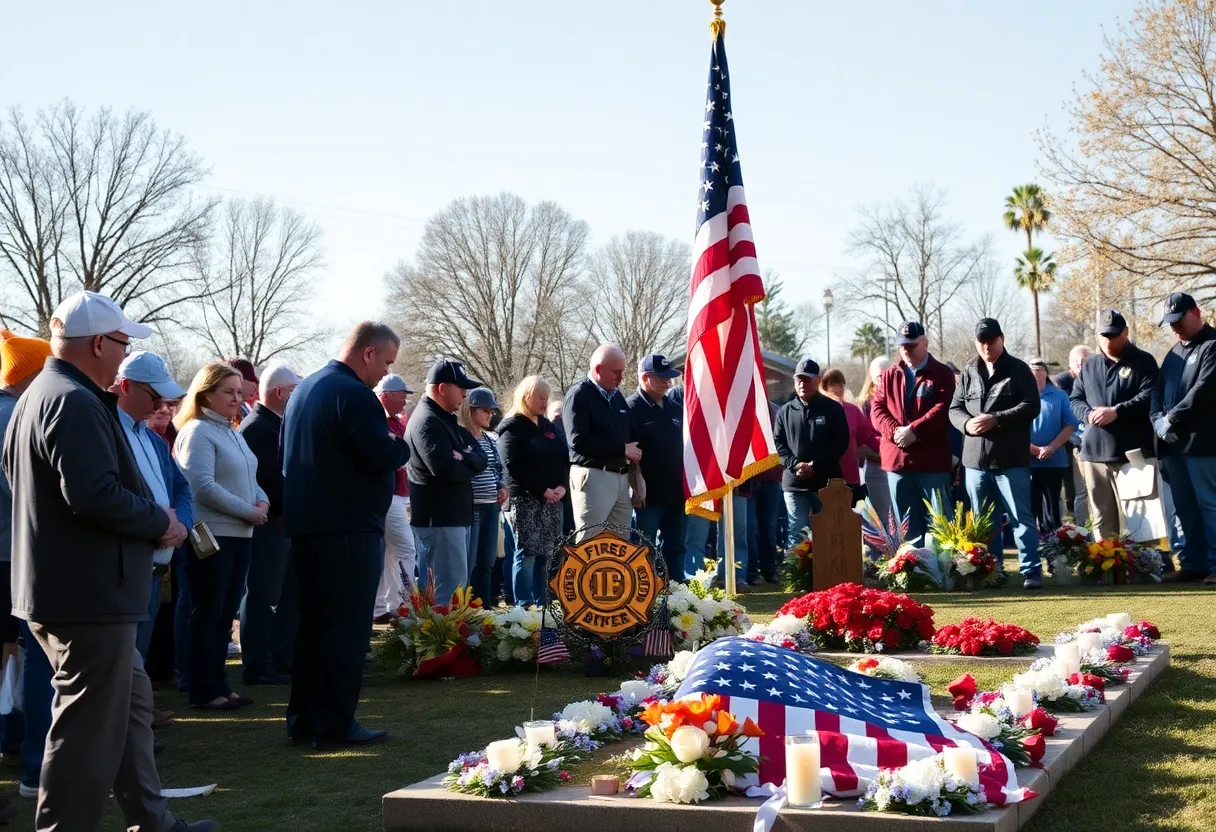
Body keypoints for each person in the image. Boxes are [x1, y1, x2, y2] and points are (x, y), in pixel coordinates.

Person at [2, 291, 213, 831]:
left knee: (128, 707)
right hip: (88, 595)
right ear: (98, 343)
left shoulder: (37, 396)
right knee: (86, 732)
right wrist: (159, 521)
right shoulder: (72, 400)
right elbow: (93, 494)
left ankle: (153, 820)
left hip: (66, 589)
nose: (124, 355)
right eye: (121, 343)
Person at [282, 321, 410, 748]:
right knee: (347, 628)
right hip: (349, 527)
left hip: (307, 525)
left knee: (313, 626)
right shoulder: (355, 394)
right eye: (386, 362)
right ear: (368, 353)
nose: (384, 373)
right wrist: (401, 446)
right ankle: (335, 722)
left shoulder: (303, 390)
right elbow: (380, 452)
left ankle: (303, 720)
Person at [174, 362, 268, 711]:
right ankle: (203, 688)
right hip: (212, 536)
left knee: (224, 613)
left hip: (239, 533)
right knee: (208, 613)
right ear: (206, 394)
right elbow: (202, 487)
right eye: (228, 391)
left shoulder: (231, 431)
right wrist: (249, 510)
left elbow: (250, 476)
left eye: (239, 392)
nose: (236, 398)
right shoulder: (197, 431)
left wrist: (262, 500)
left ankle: (220, 684)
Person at [949, 318, 1042, 588]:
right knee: (983, 522)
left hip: (1010, 459)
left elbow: (1031, 406)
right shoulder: (968, 372)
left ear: (1002, 339)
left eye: (991, 340)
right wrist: (966, 424)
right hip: (975, 462)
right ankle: (991, 570)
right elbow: (954, 409)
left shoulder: (1019, 369)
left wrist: (996, 418)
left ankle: (1030, 572)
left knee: (1020, 518)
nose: (986, 346)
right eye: (981, 341)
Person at [0, 330, 52, 804]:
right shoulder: (14, 415)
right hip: (14, 557)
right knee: (31, 657)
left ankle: (15, 743)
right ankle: (35, 761)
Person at [114, 353, 191, 668]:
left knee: (138, 657)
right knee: (120, 661)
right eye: (154, 394)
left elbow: (182, 488)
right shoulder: (108, 434)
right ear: (127, 386)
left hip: (154, 570)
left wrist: (182, 526)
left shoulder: (153, 440)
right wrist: (160, 524)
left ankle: (137, 713)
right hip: (123, 569)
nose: (162, 404)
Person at [238, 362, 302, 684]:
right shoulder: (257, 427)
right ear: (279, 392)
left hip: (283, 523)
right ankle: (257, 663)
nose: (298, 397)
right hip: (268, 523)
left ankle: (281, 655)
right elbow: (269, 481)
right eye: (294, 391)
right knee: (263, 595)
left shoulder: (276, 424)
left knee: (285, 593)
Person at [1070, 311, 1158, 541]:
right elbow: (1075, 398)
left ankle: (1143, 565)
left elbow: (1150, 396)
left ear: (1125, 332)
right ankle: (1106, 568)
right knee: (1101, 516)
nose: (1109, 341)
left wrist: (1117, 412)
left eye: (1114, 335)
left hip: (1131, 453)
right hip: (1094, 453)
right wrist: (1088, 415)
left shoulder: (1143, 361)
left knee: (1138, 515)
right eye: (1104, 336)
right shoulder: (1089, 365)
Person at [406, 359, 486, 604]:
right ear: (441, 388)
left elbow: (481, 457)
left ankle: (450, 642)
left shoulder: (444, 420)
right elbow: (446, 470)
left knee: (455, 595)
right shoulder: (428, 422)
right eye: (460, 387)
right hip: (440, 520)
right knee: (446, 600)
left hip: (452, 518)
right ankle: (446, 644)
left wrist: (465, 457)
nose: (465, 394)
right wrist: (468, 463)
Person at [868, 322, 957, 545]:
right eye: (902, 346)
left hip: (932, 465)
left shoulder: (942, 374)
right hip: (898, 463)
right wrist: (896, 433)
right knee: (906, 528)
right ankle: (913, 573)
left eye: (912, 345)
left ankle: (941, 575)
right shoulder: (889, 376)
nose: (906, 350)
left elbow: (943, 409)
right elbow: (877, 409)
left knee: (939, 525)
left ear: (925, 343)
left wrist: (915, 431)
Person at [1152, 292, 1216, 585]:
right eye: (1171, 324)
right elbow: (1157, 389)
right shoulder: (1173, 354)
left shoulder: (1212, 346)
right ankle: (1194, 563)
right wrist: (1156, 419)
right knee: (1184, 507)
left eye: (1179, 321)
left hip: (1202, 443)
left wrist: (1172, 418)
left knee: (1209, 504)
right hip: (1174, 444)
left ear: (1196, 313)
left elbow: (1203, 390)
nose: (1175, 328)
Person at [498, 376, 570, 606]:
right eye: (540, 397)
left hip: (553, 499)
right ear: (526, 396)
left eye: (546, 398)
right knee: (527, 554)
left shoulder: (548, 426)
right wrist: (542, 490)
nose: (544, 402)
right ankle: (523, 604)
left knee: (548, 554)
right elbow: (513, 465)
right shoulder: (512, 427)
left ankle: (545, 602)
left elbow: (563, 458)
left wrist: (561, 486)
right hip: (525, 499)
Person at [563, 343, 641, 539]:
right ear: (598, 369)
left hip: (621, 477)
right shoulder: (579, 395)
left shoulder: (617, 397)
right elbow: (577, 441)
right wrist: (622, 449)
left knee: (620, 545)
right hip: (594, 476)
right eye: (616, 372)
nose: (621, 378)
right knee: (590, 542)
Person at [773, 358, 849, 546]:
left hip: (826, 483)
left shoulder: (833, 409)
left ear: (818, 380)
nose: (802, 384)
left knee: (828, 534)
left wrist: (815, 465)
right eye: (799, 379)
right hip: (794, 484)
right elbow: (778, 444)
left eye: (807, 379)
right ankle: (797, 575)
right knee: (797, 535)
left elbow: (840, 443)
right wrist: (796, 465)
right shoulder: (785, 411)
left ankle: (827, 576)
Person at [626, 354, 687, 581]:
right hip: (647, 495)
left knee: (676, 545)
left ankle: (677, 590)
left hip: (676, 491)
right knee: (644, 545)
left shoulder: (674, 407)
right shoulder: (630, 408)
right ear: (645, 378)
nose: (667, 382)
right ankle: (644, 590)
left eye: (669, 378)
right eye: (661, 378)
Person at [372, 374, 418, 624]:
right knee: (405, 548)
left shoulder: (395, 422)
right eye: (402, 395)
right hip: (386, 494)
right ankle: (403, 604)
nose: (405, 400)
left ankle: (385, 606)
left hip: (399, 493)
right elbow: (394, 456)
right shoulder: (378, 420)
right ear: (386, 395)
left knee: (391, 551)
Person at [461, 387, 507, 605]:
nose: (491, 414)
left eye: (491, 411)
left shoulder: (489, 439)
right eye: (485, 410)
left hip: (491, 506)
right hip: (472, 507)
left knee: (488, 561)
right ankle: (468, 608)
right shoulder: (462, 437)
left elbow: (497, 468)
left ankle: (485, 606)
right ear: (471, 410)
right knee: (470, 562)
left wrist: (501, 486)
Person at [1028, 358, 1079, 533]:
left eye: (1039, 368)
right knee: (1031, 507)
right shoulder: (1020, 396)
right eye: (1031, 368)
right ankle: (1033, 546)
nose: (1035, 372)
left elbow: (1070, 424)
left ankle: (1055, 548)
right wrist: (1033, 449)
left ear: (1045, 372)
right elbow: (1013, 428)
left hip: (1054, 460)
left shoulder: (1060, 395)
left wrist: (1052, 447)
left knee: (1053, 509)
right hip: (1027, 461)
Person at [821, 368, 879, 497]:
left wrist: (883, 451)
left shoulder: (853, 410)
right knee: (828, 516)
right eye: (833, 384)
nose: (838, 388)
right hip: (825, 477)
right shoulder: (818, 411)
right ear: (824, 387)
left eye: (840, 384)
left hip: (851, 475)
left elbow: (866, 437)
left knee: (852, 515)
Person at [858, 356, 893, 523]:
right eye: (879, 376)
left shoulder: (898, 397)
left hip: (898, 464)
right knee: (880, 517)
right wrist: (886, 449)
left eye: (887, 374)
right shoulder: (866, 403)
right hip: (876, 465)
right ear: (872, 378)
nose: (884, 379)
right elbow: (865, 436)